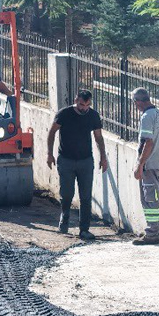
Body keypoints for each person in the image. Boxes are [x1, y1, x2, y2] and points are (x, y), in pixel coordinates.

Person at [46, 89, 109, 239]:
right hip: (66, 160)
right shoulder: (64, 114)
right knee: (67, 194)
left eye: (87, 105)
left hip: (86, 161)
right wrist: (49, 154)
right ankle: (65, 215)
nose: (84, 108)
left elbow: (99, 138)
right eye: (81, 104)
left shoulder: (93, 116)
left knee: (85, 196)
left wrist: (103, 157)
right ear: (76, 100)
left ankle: (84, 229)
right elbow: (52, 132)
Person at [131, 88, 159, 245]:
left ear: (138, 101)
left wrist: (140, 164)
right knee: (156, 198)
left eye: (135, 102)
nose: (135, 106)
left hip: (149, 164)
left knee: (149, 199)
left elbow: (147, 142)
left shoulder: (146, 116)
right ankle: (157, 231)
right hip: (157, 163)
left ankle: (152, 234)